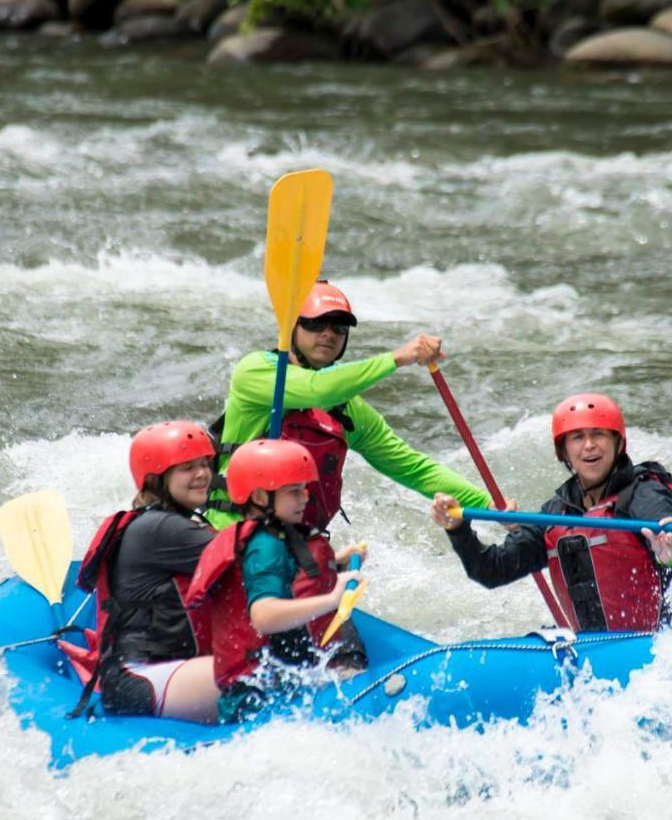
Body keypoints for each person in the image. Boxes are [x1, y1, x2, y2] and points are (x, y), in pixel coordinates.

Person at [206, 280, 491, 531]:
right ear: (291, 327)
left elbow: (413, 468)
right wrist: (397, 358)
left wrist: (488, 505)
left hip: (294, 547)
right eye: (315, 324)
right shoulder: (257, 372)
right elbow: (317, 390)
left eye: (338, 327)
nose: (328, 333)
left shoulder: (347, 411)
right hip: (229, 535)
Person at [429, 393, 672, 633]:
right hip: (589, 650)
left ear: (618, 443)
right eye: (577, 437)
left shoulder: (645, 495)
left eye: (598, 434)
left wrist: (671, 560)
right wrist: (458, 530)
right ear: (563, 452)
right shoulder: (555, 513)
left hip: (650, 646)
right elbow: (491, 571)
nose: (589, 445)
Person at [185, 439, 366, 723]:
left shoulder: (271, 536)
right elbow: (264, 616)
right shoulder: (264, 546)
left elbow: (288, 577)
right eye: (294, 491)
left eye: (304, 489)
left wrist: (339, 562)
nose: (305, 498)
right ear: (259, 497)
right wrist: (332, 600)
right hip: (256, 694)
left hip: (273, 678)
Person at [63, 422, 221, 722]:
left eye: (204, 464)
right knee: (253, 673)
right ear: (156, 478)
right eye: (187, 467)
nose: (202, 474)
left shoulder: (171, 522)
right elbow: (253, 560)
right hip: (139, 678)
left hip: (170, 669)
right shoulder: (161, 528)